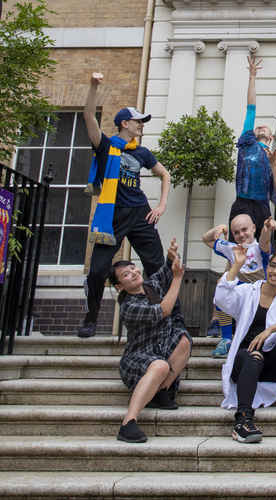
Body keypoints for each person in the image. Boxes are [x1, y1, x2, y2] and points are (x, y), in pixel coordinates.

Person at [78, 72, 171, 338]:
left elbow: (164, 174)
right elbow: (88, 118)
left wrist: (161, 206)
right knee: (97, 271)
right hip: (113, 216)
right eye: (138, 121)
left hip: (141, 214)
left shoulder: (142, 152)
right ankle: (91, 318)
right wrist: (93, 87)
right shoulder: (106, 146)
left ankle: (162, 316)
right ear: (125, 123)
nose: (141, 126)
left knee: (156, 267)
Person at [214, 248, 276, 444]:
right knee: (253, 356)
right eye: (273, 265)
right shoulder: (248, 291)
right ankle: (243, 420)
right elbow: (221, 299)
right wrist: (237, 265)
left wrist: (270, 330)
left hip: (271, 364)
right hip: (244, 361)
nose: (275, 271)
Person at [113, 238, 192, 443]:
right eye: (126, 275)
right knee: (159, 367)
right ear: (120, 286)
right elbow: (164, 310)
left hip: (160, 350)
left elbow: (165, 270)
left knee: (184, 340)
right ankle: (128, 423)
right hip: (137, 359)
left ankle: (161, 392)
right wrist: (177, 279)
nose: (133, 273)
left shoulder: (150, 286)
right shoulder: (129, 306)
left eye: (133, 268)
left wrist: (172, 255)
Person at [201, 215, 275, 357]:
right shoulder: (231, 248)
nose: (241, 235)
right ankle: (226, 339)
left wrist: (267, 229)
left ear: (253, 228)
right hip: (240, 295)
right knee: (221, 293)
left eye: (244, 229)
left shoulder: (259, 248)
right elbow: (206, 239)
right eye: (236, 232)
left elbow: (265, 241)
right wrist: (218, 229)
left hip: (259, 296)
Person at [230, 55, 276, 242]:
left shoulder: (271, 157)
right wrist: (252, 77)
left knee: (262, 251)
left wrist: (274, 166)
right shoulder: (247, 144)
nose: (260, 126)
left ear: (270, 137)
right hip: (242, 203)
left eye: (264, 127)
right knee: (236, 249)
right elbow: (251, 109)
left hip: (262, 206)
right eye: (257, 127)